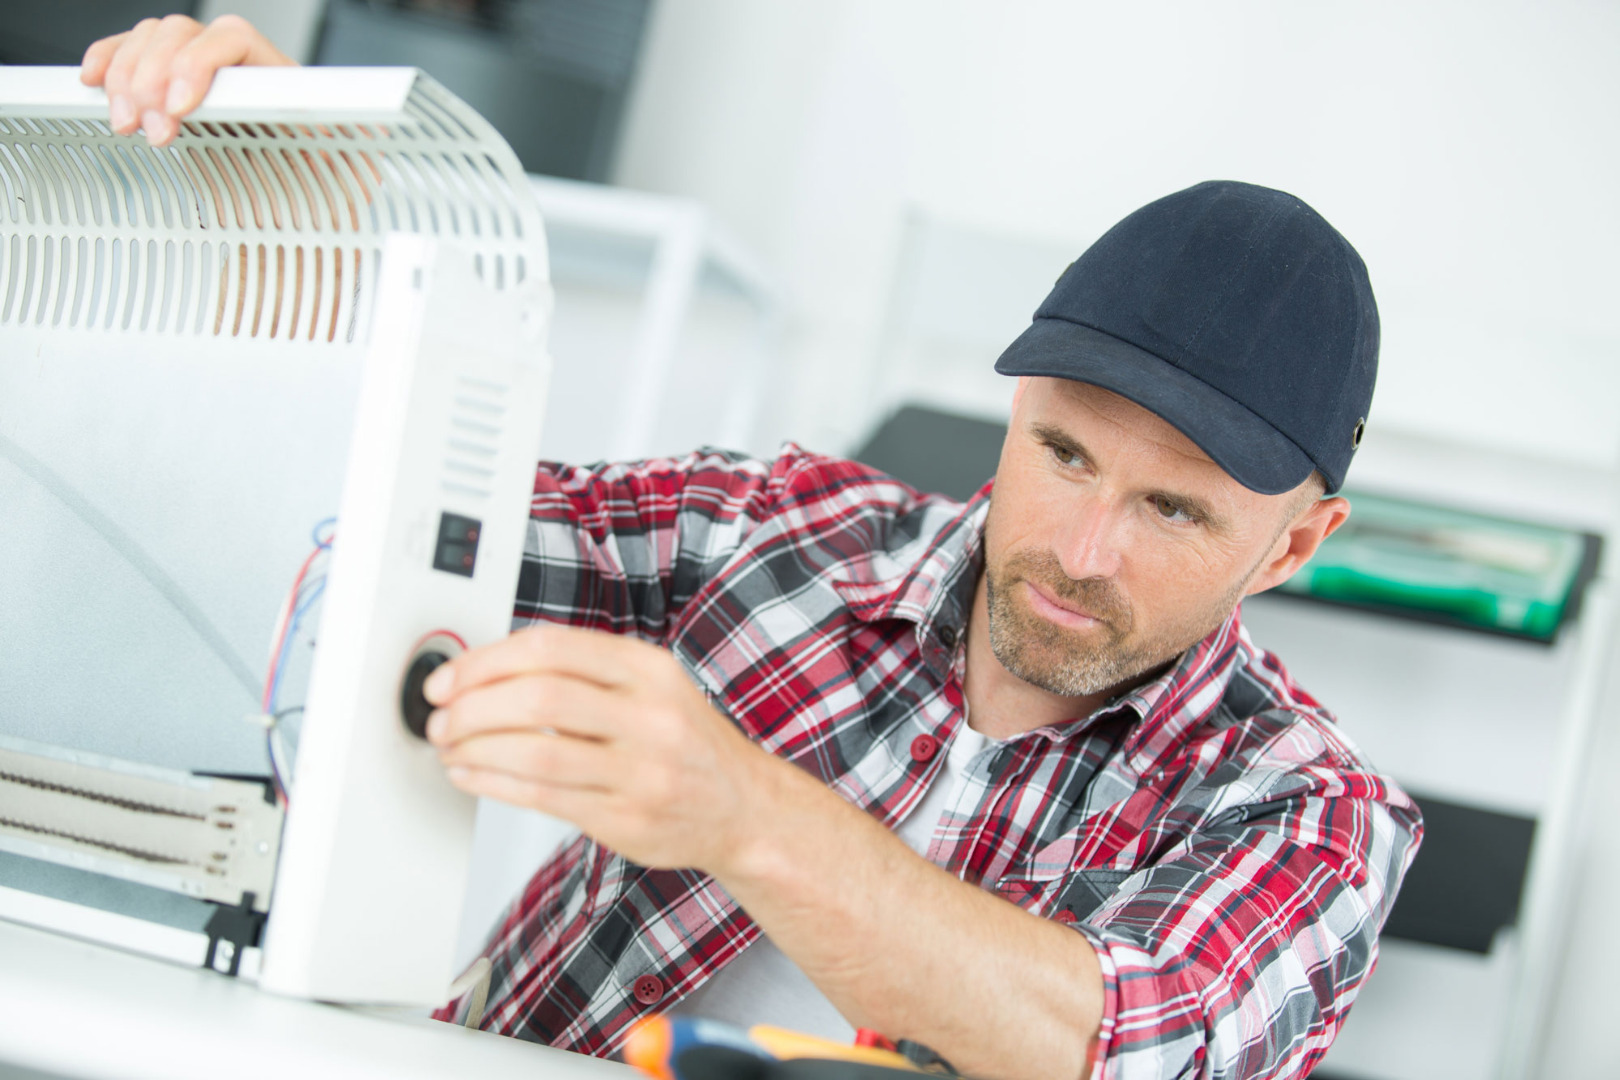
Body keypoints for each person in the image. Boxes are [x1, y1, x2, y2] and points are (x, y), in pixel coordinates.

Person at [82, 16, 1422, 1080]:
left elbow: (1122, 1049)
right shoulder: (772, 532)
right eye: (1062, 452)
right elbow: (368, 536)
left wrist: (746, 813)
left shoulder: (1315, 814)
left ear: (1297, 543)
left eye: (1173, 511)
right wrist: (304, 227)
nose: (1079, 549)